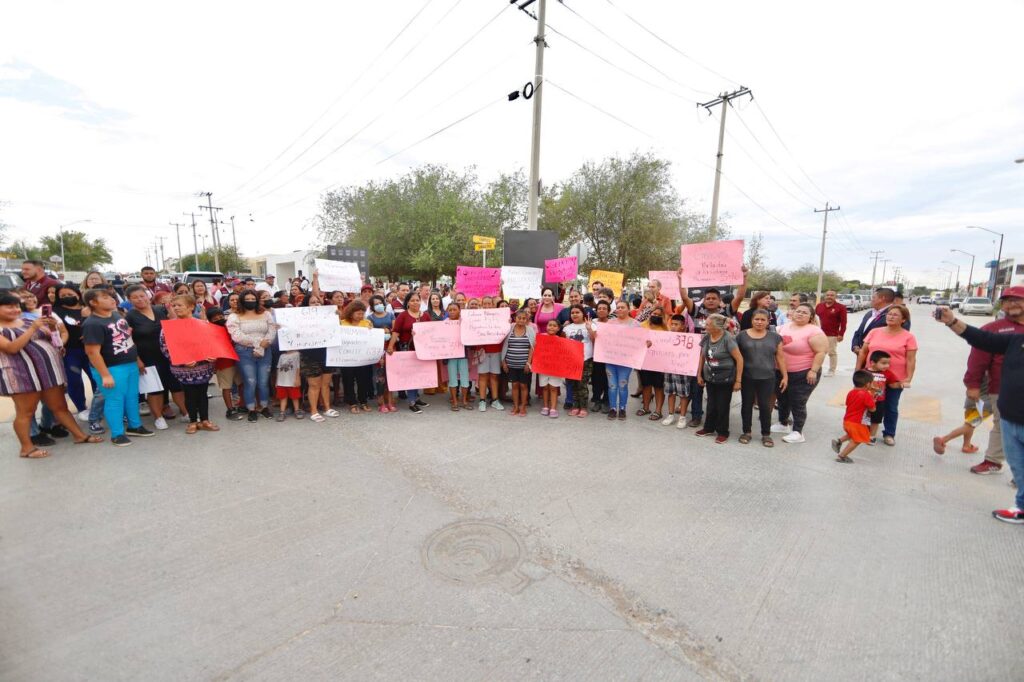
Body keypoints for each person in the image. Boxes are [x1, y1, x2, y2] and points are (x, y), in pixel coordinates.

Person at [935, 306, 1024, 523]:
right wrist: (951, 321)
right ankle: (1021, 507)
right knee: (1018, 465)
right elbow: (982, 340)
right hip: (1010, 414)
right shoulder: (1015, 339)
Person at [0, 291, 103, 457]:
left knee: (60, 407)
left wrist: (53, 326)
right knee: (25, 412)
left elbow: (52, 338)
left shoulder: (27, 320)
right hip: (22, 374)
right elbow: (12, 348)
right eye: (9, 307)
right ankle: (26, 448)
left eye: (17, 306)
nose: (15, 310)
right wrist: (33, 328)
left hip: (48, 372)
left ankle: (79, 435)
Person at [953, 286, 1024, 475]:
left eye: (1017, 300)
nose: (1012, 304)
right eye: (1007, 301)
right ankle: (993, 461)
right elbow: (978, 359)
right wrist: (973, 385)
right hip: (1002, 388)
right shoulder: (995, 329)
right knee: (1003, 427)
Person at [676, 265, 749, 427]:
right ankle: (696, 415)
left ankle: (717, 419)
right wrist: (681, 280)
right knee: (696, 387)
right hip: (698, 356)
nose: (710, 300)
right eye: (708, 298)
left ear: (719, 300)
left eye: (714, 298)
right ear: (704, 299)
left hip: (720, 358)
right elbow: (685, 297)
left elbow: (740, 297)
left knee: (717, 391)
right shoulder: (696, 311)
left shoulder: (726, 313)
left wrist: (744, 277)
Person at [82, 288, 155, 446]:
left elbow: (127, 338)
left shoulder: (116, 315)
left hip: (129, 363)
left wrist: (136, 359)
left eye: (110, 296)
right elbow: (92, 352)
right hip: (112, 368)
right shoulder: (92, 323)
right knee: (115, 400)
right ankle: (117, 433)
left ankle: (135, 426)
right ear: (93, 303)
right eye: (105, 297)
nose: (111, 299)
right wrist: (105, 375)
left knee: (132, 397)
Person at [125, 284, 187, 428]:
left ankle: (185, 412)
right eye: (135, 298)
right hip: (147, 358)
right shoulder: (130, 316)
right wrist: (137, 360)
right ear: (129, 300)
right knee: (154, 389)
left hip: (168, 355)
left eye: (142, 296)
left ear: (147, 295)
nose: (140, 299)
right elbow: (128, 340)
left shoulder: (160, 309)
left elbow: (174, 326)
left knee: (176, 386)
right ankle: (158, 417)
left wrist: (171, 309)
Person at [856, 304, 917, 446]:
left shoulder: (908, 337)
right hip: (871, 377)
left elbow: (911, 359)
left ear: (903, 319)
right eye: (889, 314)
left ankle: (889, 433)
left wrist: (908, 378)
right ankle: (866, 430)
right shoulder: (875, 332)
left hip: (894, 379)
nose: (890, 316)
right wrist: (858, 371)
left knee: (890, 406)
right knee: (868, 404)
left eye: (895, 315)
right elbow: (863, 353)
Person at [161, 294, 218, 434]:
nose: (176, 308)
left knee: (203, 394)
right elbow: (165, 347)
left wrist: (212, 355)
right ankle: (193, 421)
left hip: (203, 367)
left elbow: (211, 342)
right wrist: (182, 361)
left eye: (179, 305)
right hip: (183, 369)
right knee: (189, 395)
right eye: (174, 306)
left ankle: (205, 420)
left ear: (191, 307)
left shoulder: (202, 324)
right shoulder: (169, 327)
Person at [774, 303, 828, 443]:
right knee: (782, 398)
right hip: (782, 371)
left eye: (805, 312)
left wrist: (813, 370)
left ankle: (798, 431)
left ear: (811, 317)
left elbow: (821, 352)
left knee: (798, 401)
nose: (800, 314)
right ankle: (783, 423)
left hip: (804, 373)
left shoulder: (814, 331)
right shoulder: (784, 327)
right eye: (798, 311)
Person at [737, 309, 787, 447]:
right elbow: (736, 357)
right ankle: (746, 431)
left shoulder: (775, 337)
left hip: (767, 378)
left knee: (765, 406)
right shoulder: (741, 336)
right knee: (747, 405)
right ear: (752, 320)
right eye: (756, 319)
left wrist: (785, 376)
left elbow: (780, 358)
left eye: (762, 320)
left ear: (768, 321)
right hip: (747, 377)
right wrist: (736, 378)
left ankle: (766, 434)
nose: (759, 322)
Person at [227, 290, 277, 423]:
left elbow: (272, 329)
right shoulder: (234, 316)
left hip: (266, 352)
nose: (250, 301)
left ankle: (264, 407)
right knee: (250, 382)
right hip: (244, 352)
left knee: (263, 382)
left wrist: (264, 345)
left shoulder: (266, 314)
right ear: (242, 301)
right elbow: (236, 335)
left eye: (252, 298)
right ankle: (251, 409)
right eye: (247, 299)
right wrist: (258, 344)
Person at [695, 314, 743, 444]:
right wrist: (699, 374)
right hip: (710, 377)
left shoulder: (728, 339)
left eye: (708, 324)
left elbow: (739, 359)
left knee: (722, 405)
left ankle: (723, 432)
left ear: (717, 327)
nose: (705, 326)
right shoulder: (706, 337)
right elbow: (702, 356)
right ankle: (708, 428)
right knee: (711, 404)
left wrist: (738, 380)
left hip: (725, 378)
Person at [51, 285, 93, 422]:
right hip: (70, 352)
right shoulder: (55, 311)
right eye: (62, 296)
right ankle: (81, 408)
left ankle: (100, 405)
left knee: (96, 378)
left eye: (70, 294)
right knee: (74, 381)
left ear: (78, 294)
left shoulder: (88, 308)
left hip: (92, 350)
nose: (67, 297)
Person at [387, 291, 430, 413]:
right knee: (411, 375)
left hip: (422, 350)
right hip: (408, 350)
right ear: (408, 303)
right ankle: (411, 402)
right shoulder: (403, 316)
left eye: (417, 300)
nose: (415, 302)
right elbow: (396, 332)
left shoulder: (425, 316)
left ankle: (416, 398)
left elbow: (431, 331)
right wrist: (390, 346)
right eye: (412, 300)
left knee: (419, 374)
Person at [596, 300, 637, 421]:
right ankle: (613, 408)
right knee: (612, 385)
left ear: (628, 309)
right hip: (611, 359)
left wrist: (647, 343)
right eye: (618, 307)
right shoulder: (610, 323)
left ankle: (622, 408)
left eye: (622, 307)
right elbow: (601, 338)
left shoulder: (635, 324)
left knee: (622, 385)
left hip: (626, 361)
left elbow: (641, 341)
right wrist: (591, 330)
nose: (620, 309)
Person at [831, 370, 880, 463]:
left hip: (847, 421)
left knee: (852, 434)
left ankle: (839, 441)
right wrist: (873, 397)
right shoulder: (866, 395)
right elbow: (873, 409)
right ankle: (842, 456)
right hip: (857, 422)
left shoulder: (851, 392)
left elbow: (849, 403)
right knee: (857, 439)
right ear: (868, 384)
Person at [850, 287, 907, 356]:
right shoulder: (869, 313)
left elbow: (899, 338)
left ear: (882, 298)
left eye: (873, 297)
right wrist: (855, 346)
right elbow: (859, 332)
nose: (871, 300)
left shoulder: (896, 315)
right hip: (861, 355)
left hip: (880, 359)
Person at [340, 300, 374, 413]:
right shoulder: (342, 323)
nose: (360, 316)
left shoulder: (367, 323)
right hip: (347, 358)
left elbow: (372, 338)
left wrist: (371, 331)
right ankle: (352, 403)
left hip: (362, 358)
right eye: (358, 313)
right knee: (348, 381)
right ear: (351, 313)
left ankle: (363, 401)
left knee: (362, 380)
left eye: (362, 313)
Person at [501, 308, 536, 417]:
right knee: (514, 385)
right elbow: (504, 345)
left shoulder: (530, 330)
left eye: (524, 318)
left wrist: (528, 363)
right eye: (519, 318)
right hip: (511, 364)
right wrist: (504, 362)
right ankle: (515, 406)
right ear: (515, 318)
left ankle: (523, 407)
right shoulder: (509, 328)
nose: (521, 320)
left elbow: (532, 348)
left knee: (523, 386)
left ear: (527, 320)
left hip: (524, 365)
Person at [562, 304, 595, 418]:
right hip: (571, 360)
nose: (575, 314)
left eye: (577, 312)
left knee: (582, 385)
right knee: (573, 385)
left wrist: (589, 328)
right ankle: (575, 406)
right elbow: (563, 344)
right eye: (572, 313)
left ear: (583, 313)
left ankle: (584, 407)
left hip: (586, 359)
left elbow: (595, 339)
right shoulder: (567, 328)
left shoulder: (590, 325)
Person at [660, 314, 692, 429]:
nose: (673, 326)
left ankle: (682, 417)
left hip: (682, 370)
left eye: (676, 324)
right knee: (670, 392)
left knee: (683, 394)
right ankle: (670, 414)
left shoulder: (689, 339)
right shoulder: (667, 338)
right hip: (669, 368)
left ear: (683, 326)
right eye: (672, 324)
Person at [475, 296, 505, 413]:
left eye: (489, 304)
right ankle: (482, 400)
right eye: (485, 304)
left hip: (496, 349)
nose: (487, 306)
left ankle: (495, 399)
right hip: (481, 350)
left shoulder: (499, 316)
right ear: (482, 305)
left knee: (494, 376)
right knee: (483, 376)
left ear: (493, 304)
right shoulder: (476, 317)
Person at [367, 294, 396, 413]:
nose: (379, 305)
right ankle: (381, 403)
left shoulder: (390, 315)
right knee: (380, 378)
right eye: (376, 304)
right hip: (378, 349)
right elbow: (370, 334)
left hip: (391, 348)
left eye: (380, 303)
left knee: (391, 377)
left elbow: (395, 331)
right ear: (372, 306)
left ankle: (390, 401)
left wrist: (390, 338)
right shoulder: (370, 318)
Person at [638, 311, 669, 420]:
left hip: (659, 362)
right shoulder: (642, 326)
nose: (656, 316)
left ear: (663, 317)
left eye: (659, 315)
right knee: (646, 385)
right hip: (644, 361)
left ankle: (658, 411)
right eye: (654, 313)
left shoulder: (666, 329)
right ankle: (645, 408)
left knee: (658, 386)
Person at [863, 350, 899, 444]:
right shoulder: (864, 372)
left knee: (876, 420)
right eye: (883, 363)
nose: (887, 366)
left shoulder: (888, 373)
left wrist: (901, 384)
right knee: (862, 418)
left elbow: (893, 385)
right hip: (864, 401)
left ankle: (872, 436)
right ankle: (860, 433)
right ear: (872, 363)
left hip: (879, 402)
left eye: (888, 363)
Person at [444, 303, 471, 410]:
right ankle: (454, 401)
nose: (452, 312)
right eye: (450, 310)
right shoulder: (444, 323)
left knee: (465, 378)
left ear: (459, 310)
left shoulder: (464, 322)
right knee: (452, 379)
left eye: (454, 309)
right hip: (450, 355)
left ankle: (464, 401)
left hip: (462, 353)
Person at [815, 290, 848, 376]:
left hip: (832, 334)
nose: (829, 297)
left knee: (831, 352)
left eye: (832, 295)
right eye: (827, 295)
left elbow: (843, 322)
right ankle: (816, 368)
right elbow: (814, 319)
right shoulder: (819, 306)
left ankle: (831, 370)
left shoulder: (841, 307)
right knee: (818, 352)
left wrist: (841, 334)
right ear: (825, 296)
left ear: (835, 297)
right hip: (818, 334)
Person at [537, 319, 565, 418]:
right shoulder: (541, 337)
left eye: (554, 326)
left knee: (553, 388)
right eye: (550, 325)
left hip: (555, 368)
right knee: (544, 387)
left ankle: (553, 408)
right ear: (546, 326)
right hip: (543, 367)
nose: (551, 327)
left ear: (558, 328)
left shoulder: (560, 340)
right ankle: (545, 406)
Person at [589, 300, 611, 413]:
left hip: (609, 356)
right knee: (596, 379)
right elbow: (591, 338)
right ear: (596, 311)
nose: (601, 310)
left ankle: (606, 401)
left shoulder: (613, 324)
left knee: (608, 379)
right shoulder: (591, 323)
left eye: (604, 308)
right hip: (595, 355)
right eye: (599, 308)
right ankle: (597, 400)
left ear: (608, 311)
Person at [274, 344, 304, 421]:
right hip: (282, 381)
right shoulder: (281, 356)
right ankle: (282, 412)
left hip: (292, 381)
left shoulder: (297, 354)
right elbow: (278, 368)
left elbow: (298, 367)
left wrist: (297, 378)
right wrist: (277, 381)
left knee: (295, 397)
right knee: (283, 397)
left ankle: (297, 410)